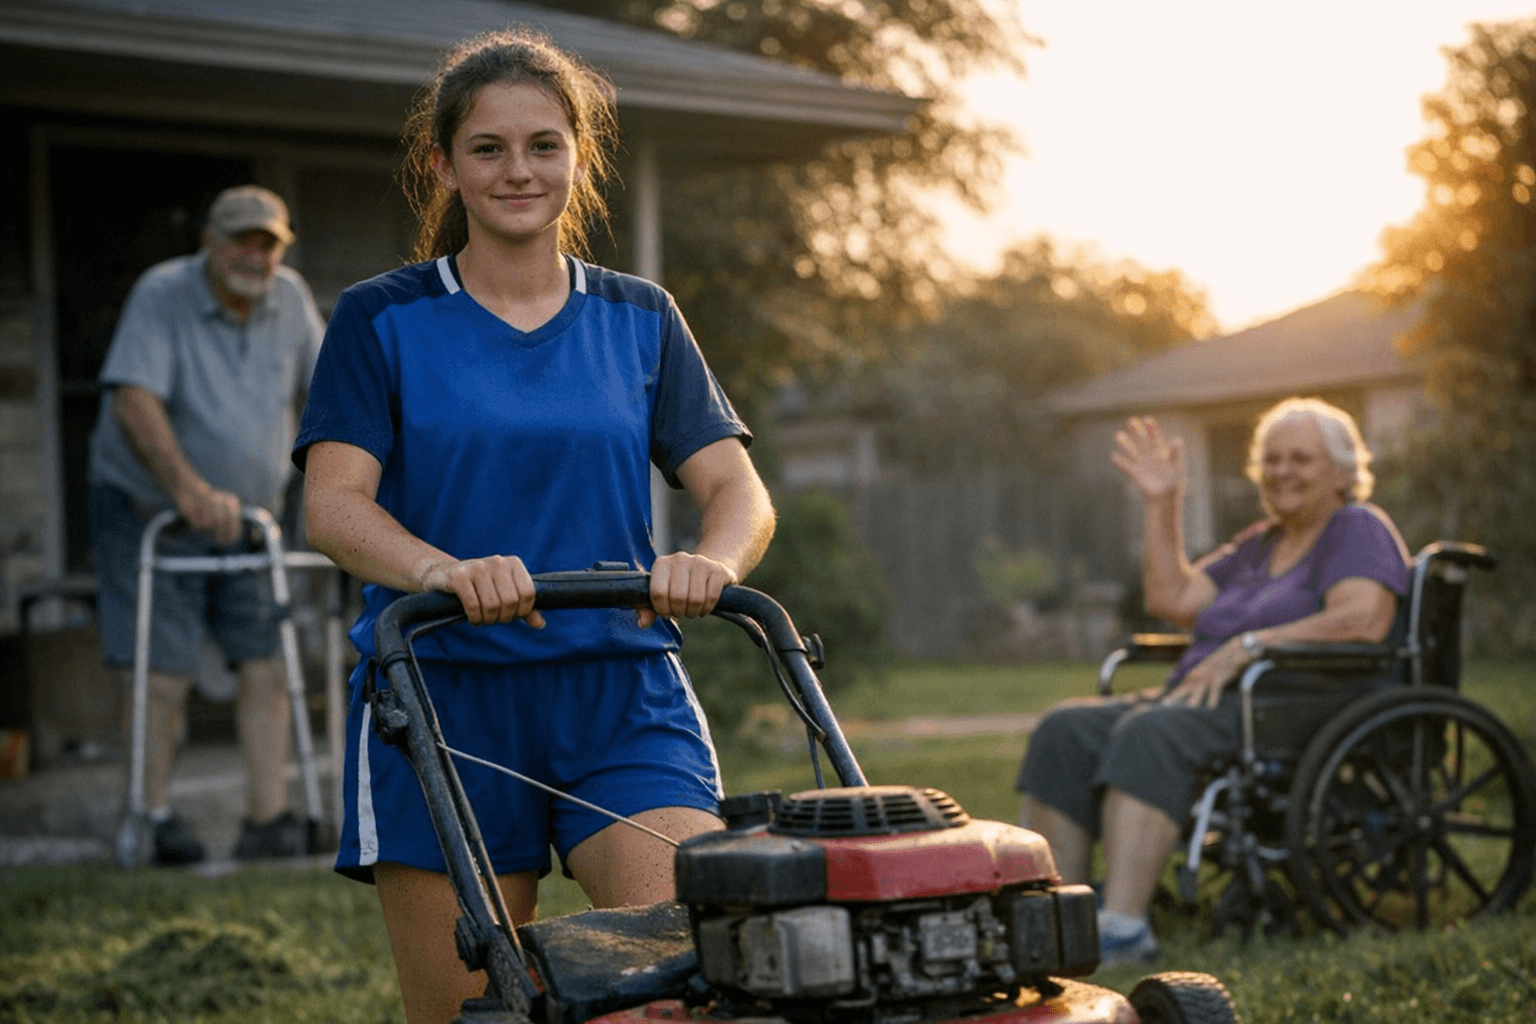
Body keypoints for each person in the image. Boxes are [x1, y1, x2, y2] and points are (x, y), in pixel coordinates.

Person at [293, 29, 776, 1024]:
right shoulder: (381, 320)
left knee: (691, 975)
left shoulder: (640, 317)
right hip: (442, 692)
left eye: (544, 145)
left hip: (621, 684)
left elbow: (737, 487)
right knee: (478, 1010)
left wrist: (711, 561)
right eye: (489, 148)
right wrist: (445, 568)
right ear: (445, 166)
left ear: (579, 157)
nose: (519, 170)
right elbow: (333, 504)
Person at [1015, 397, 1410, 966]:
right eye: (1271, 460)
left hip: (1293, 705)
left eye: (1301, 459)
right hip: (1209, 697)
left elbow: (1364, 619)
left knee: (1154, 732)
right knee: (1065, 729)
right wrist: (1162, 502)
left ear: (1346, 473)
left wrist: (1250, 646)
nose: (1282, 471)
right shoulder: (1260, 544)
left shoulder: (1357, 528)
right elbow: (1171, 599)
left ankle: (1124, 929)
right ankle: (1061, 919)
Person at [87, 185, 324, 865]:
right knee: (162, 673)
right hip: (150, 510)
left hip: (252, 520)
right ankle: (152, 817)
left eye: (269, 243)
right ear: (211, 245)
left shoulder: (292, 299)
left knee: (268, 666)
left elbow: (331, 390)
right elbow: (134, 399)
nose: (256, 255)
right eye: (242, 241)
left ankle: (268, 820)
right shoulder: (163, 293)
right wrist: (188, 490)